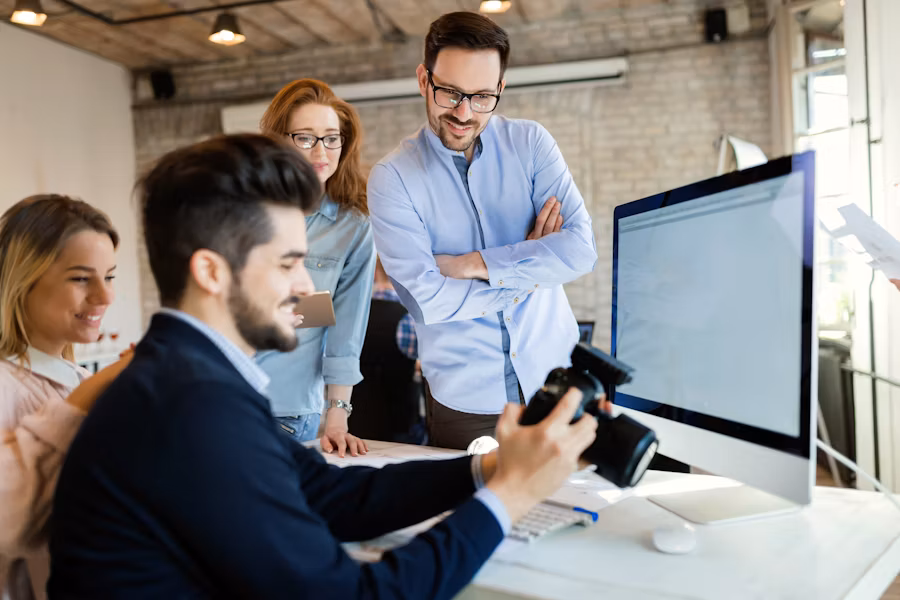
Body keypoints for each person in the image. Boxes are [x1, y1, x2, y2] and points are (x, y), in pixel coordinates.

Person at [48, 134, 599, 599]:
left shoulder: (194, 380)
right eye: (289, 263)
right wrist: (515, 496)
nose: (307, 288)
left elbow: (329, 495)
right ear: (211, 272)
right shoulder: (190, 407)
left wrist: (490, 470)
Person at [368, 12, 598, 450]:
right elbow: (425, 301)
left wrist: (475, 265)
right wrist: (528, 269)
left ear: (500, 90)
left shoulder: (531, 145)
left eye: (481, 97)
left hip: (559, 387)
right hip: (466, 407)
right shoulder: (392, 178)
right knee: (474, 514)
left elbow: (580, 250)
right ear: (423, 79)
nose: (463, 112)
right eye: (449, 92)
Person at [0, 195, 128, 600]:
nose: (105, 298)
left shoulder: (72, 377)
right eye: (80, 278)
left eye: (108, 276)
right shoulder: (7, 386)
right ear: (23, 279)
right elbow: (10, 524)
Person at [255, 79, 375, 458]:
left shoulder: (353, 228)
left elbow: (348, 327)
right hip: (220, 398)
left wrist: (336, 416)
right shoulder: (243, 210)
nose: (321, 151)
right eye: (305, 138)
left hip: (289, 410)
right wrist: (320, 309)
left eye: (331, 138)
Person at [348, 257, 424, 443]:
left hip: (353, 423)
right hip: (398, 426)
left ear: (373, 272)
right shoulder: (410, 319)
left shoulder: (351, 315)